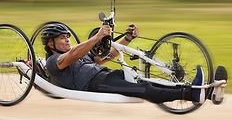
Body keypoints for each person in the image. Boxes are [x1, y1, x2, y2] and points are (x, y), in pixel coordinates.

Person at [41, 23, 206, 104]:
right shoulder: (53, 62)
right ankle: (190, 94)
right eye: (62, 38)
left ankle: (206, 90)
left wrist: (127, 38)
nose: (67, 40)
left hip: (109, 75)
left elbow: (106, 57)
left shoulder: (80, 54)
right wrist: (97, 37)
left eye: (67, 37)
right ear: (50, 44)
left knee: (151, 82)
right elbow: (73, 54)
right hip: (96, 84)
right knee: (144, 89)